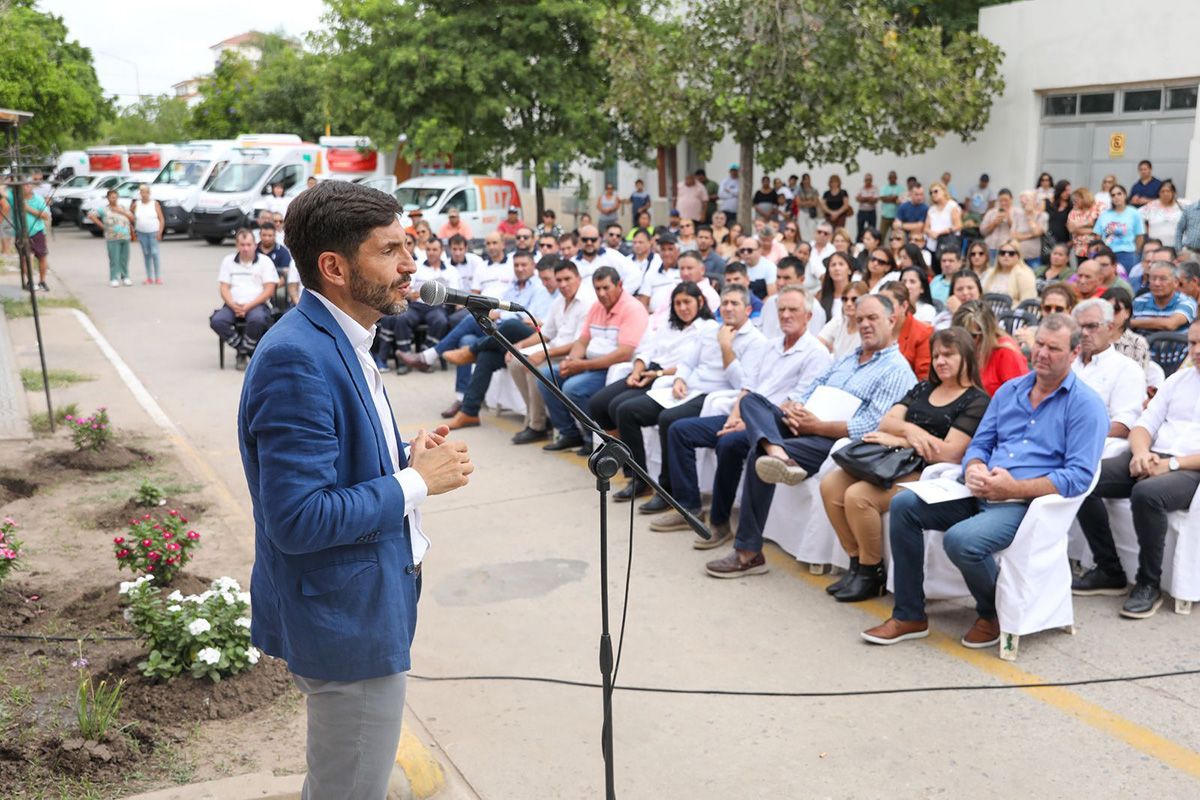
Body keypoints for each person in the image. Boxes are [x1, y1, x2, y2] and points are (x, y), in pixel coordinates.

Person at [237, 180, 473, 798]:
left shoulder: (342, 338)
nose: (411, 265)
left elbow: (336, 459)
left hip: (363, 604)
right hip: (345, 622)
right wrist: (418, 480)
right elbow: (299, 517)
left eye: (410, 246)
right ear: (335, 267)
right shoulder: (299, 357)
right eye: (391, 251)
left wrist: (402, 455)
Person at [863, 313, 1108, 647]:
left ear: (1075, 352)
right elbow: (980, 443)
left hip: (1024, 503)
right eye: (1038, 344)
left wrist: (1013, 488)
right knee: (904, 504)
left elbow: (1078, 477)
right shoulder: (1010, 391)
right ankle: (909, 615)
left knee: (962, 541)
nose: (1042, 354)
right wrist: (976, 464)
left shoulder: (1086, 405)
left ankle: (993, 613)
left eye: (1054, 348)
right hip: (979, 487)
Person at [697, 294, 916, 576]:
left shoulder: (896, 369)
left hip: (832, 440)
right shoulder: (849, 357)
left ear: (892, 320)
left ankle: (748, 552)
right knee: (752, 402)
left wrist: (817, 426)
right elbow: (813, 387)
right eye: (860, 319)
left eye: (872, 318)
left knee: (756, 452)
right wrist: (794, 406)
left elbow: (872, 426)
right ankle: (777, 452)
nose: (864, 325)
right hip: (803, 424)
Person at [820, 328, 990, 601]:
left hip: (924, 472)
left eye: (949, 355)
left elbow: (949, 452)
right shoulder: (924, 387)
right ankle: (856, 561)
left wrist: (902, 438)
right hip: (889, 460)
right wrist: (912, 434)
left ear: (967, 357)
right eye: (936, 356)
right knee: (830, 485)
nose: (940, 361)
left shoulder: (976, 400)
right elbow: (887, 422)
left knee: (858, 497)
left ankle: (871, 571)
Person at [1072, 318, 1200, 619]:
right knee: (1082, 478)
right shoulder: (1178, 381)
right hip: (1153, 455)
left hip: (1188, 468)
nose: (1195, 350)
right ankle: (1109, 568)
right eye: (1192, 343)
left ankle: (1148, 584)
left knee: (1147, 493)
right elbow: (1144, 424)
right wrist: (1141, 453)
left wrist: (1170, 464)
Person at [594, 283, 737, 503]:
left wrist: (664, 375)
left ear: (700, 302)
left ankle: (665, 487)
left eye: (687, 302)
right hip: (668, 377)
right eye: (677, 303)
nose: (682, 308)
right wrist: (641, 370)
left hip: (676, 382)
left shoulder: (707, 327)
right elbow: (654, 351)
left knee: (657, 416)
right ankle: (637, 477)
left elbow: (695, 366)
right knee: (618, 408)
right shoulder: (673, 326)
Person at [539, 267, 649, 453]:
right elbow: (583, 340)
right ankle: (569, 434)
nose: (601, 293)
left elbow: (624, 353)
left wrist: (582, 365)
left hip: (614, 368)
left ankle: (594, 439)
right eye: (597, 289)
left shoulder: (632, 308)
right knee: (547, 376)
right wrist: (571, 361)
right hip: (590, 364)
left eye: (606, 288)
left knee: (573, 388)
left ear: (619, 285)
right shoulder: (597, 307)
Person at [439, 251, 552, 430]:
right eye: (517, 265)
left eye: (524, 265)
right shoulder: (515, 287)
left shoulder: (542, 289)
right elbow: (502, 310)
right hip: (512, 332)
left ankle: (469, 352)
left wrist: (537, 322)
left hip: (536, 336)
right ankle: (469, 412)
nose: (520, 269)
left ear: (533, 267)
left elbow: (537, 321)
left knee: (510, 325)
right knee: (486, 356)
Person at [508, 259, 594, 444]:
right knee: (515, 362)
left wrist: (540, 354)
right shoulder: (559, 301)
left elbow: (579, 343)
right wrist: (520, 345)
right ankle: (537, 416)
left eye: (567, 279)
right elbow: (546, 334)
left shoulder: (588, 301)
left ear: (578, 278)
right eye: (559, 280)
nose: (563, 284)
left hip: (574, 353)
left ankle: (536, 425)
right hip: (554, 348)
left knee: (535, 366)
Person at [1070, 298, 1146, 439]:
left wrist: (1076, 434)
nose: (1084, 333)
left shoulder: (1127, 369)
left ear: (1110, 328)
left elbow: (1125, 424)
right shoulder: (1067, 363)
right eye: (1079, 327)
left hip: (1097, 445)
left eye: (1092, 326)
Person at [384, 237, 458, 373]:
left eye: (435, 249)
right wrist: (411, 294)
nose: (431, 252)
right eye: (428, 249)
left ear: (441, 250)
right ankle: (404, 359)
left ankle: (424, 358)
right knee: (401, 318)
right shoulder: (415, 266)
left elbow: (454, 294)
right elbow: (406, 288)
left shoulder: (450, 270)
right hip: (417, 305)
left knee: (441, 321)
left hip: (437, 306)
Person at [209, 229, 278, 371]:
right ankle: (244, 349)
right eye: (242, 245)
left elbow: (269, 289)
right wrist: (234, 306)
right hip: (233, 305)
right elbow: (224, 288)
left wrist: (247, 307)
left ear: (255, 245)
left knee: (258, 320)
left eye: (248, 244)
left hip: (257, 304)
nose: (245, 248)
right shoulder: (228, 261)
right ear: (237, 245)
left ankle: (242, 353)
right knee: (217, 321)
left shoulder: (265, 262)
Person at [952, 300, 1028, 396]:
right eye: (964, 335)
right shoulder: (955, 348)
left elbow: (1019, 396)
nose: (968, 340)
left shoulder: (1006, 352)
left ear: (988, 332)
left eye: (974, 335)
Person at [3, 181, 53, 291]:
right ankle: (30, 281)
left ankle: (42, 281)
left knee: (42, 256)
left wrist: (28, 208)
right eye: (23, 185)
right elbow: (1, 190)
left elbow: (45, 216)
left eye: (28, 184)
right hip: (21, 233)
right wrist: (8, 182)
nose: (26, 187)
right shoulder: (14, 198)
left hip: (37, 232)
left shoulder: (38, 199)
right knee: (26, 258)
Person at [880, 281, 932, 380]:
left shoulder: (924, 333)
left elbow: (923, 378)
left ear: (904, 306)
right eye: (880, 303)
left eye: (888, 304)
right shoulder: (878, 329)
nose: (883, 309)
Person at [1130, 261, 1197, 332]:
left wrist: (1131, 322)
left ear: (1176, 282)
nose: (1157, 283)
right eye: (1153, 278)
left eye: (1163, 279)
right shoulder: (1139, 301)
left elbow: (1170, 324)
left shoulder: (1187, 302)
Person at [87, 189, 134, 288]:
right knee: (114, 258)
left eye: (115, 197)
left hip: (125, 236)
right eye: (112, 197)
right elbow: (91, 215)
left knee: (124, 258)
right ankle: (113, 278)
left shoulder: (122, 207)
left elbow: (132, 218)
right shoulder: (104, 209)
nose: (114, 199)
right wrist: (102, 226)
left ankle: (125, 276)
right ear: (108, 198)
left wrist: (121, 212)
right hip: (112, 237)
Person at [1094, 185, 1145, 274]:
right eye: (1113, 195)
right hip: (1107, 254)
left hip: (1127, 254)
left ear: (1125, 195)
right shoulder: (1104, 214)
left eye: (1119, 194)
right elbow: (1097, 236)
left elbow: (1140, 236)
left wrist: (1135, 252)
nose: (1116, 197)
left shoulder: (1134, 213)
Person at [129, 184, 165, 285]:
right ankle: (149, 277)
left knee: (154, 253)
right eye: (142, 192)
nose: (144, 194)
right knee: (146, 253)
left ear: (149, 193)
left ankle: (157, 277)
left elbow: (161, 219)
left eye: (146, 192)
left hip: (153, 231)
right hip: (141, 232)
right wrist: (133, 229)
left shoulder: (155, 204)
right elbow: (130, 215)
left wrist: (160, 232)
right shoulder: (137, 204)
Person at [981, 238, 1037, 302]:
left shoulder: (1024, 274)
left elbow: (1028, 302)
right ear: (998, 256)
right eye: (1002, 253)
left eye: (1011, 253)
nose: (1006, 255)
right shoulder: (989, 272)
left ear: (1018, 256)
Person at [924, 182, 962, 258]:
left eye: (936, 191)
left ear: (944, 191)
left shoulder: (952, 205)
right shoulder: (931, 209)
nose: (933, 194)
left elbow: (958, 226)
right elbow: (926, 228)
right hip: (932, 245)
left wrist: (940, 233)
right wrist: (931, 233)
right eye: (931, 193)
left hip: (947, 244)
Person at [1141, 179, 1182, 248]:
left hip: (1177, 246)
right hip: (1155, 247)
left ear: (1173, 193)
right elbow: (1136, 216)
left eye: (1168, 191)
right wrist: (1145, 231)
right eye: (1162, 191)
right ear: (1159, 193)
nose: (1165, 194)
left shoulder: (1182, 205)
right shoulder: (1151, 206)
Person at [1012, 190, 1048, 267]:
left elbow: (1036, 232)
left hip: (1034, 256)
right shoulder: (1017, 215)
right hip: (1019, 256)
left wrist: (1030, 217)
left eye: (1026, 200)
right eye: (1021, 202)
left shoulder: (1042, 216)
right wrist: (1031, 235)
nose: (1023, 203)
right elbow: (1013, 235)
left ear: (1034, 200)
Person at [981, 189, 1016, 257]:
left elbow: (1018, 232)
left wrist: (1008, 218)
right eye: (1001, 200)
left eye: (1006, 200)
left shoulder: (1018, 213)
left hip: (1007, 250)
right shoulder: (991, 212)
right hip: (990, 247)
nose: (1003, 203)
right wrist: (994, 223)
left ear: (1011, 199)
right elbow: (982, 231)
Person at [878, 171, 902, 238]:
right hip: (885, 216)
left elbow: (900, 200)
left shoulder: (901, 188)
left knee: (896, 236)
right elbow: (882, 199)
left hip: (896, 217)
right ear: (888, 178)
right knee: (881, 236)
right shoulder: (884, 187)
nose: (892, 179)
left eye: (893, 177)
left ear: (896, 178)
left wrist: (888, 198)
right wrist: (894, 198)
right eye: (890, 177)